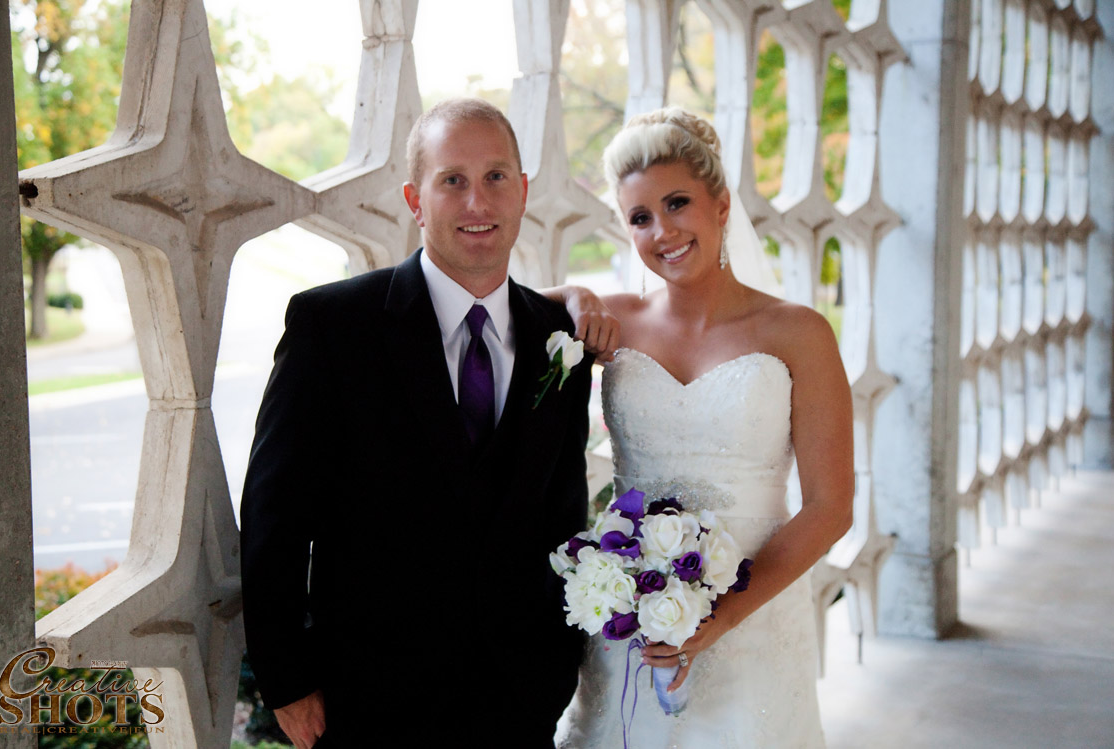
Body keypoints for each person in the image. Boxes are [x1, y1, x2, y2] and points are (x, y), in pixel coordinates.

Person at [240, 98, 596, 748]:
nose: (477, 201)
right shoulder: (332, 326)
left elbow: (563, 512)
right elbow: (275, 515)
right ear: (415, 200)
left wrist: (558, 661)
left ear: (522, 191)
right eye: (452, 180)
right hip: (368, 703)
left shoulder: (559, 338)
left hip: (520, 701)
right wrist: (286, 680)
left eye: (495, 177)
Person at [549, 107, 854, 747]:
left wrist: (719, 620)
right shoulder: (616, 321)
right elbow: (504, 311)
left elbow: (830, 508)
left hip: (756, 617)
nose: (662, 231)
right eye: (639, 217)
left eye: (677, 203)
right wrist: (574, 296)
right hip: (632, 609)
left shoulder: (799, 332)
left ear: (721, 205)